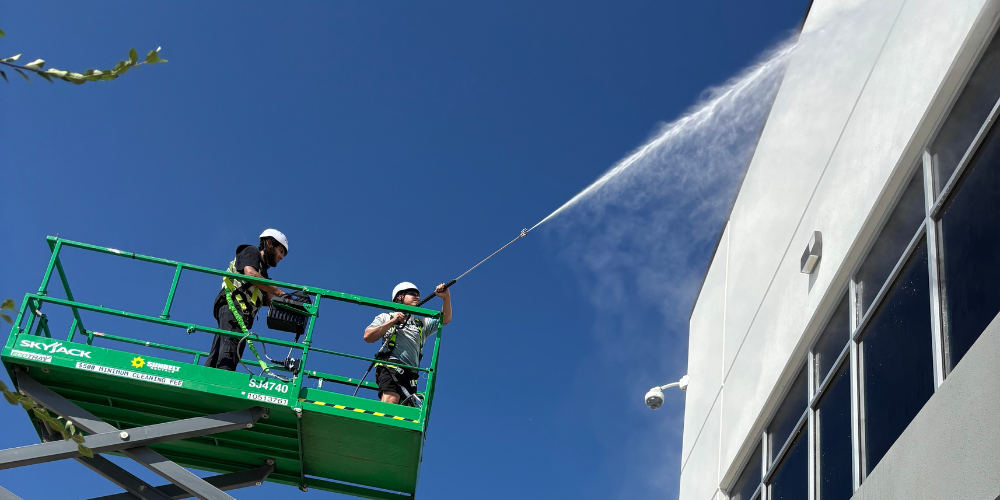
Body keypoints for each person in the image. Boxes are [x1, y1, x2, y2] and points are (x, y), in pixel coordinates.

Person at [206, 229, 288, 371]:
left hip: (238, 314)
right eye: (281, 251)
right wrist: (278, 291)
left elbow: (270, 299)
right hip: (234, 308)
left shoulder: (264, 275)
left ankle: (206, 379)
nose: (282, 257)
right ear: (269, 244)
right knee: (230, 350)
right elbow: (250, 273)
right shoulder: (251, 252)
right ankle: (223, 383)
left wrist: (290, 302)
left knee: (220, 349)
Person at [363, 282, 452, 405]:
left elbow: (445, 319)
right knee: (391, 403)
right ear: (400, 297)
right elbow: (368, 336)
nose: (417, 297)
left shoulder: (421, 324)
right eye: (413, 294)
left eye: (418, 295)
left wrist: (446, 297)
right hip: (390, 367)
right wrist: (393, 321)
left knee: (405, 415)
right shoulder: (386, 317)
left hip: (411, 376)